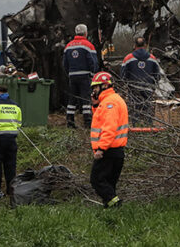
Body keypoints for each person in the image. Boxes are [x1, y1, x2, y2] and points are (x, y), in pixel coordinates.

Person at [88, 72, 128, 208]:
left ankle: (115, 205)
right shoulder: (110, 101)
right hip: (116, 151)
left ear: (104, 86)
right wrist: (95, 106)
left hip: (109, 150)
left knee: (96, 180)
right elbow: (101, 120)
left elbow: (109, 128)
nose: (94, 91)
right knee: (109, 183)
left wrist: (101, 148)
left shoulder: (110, 103)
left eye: (96, 88)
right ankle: (110, 208)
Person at [62, 24, 99, 128]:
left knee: (72, 99)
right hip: (85, 76)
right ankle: (87, 122)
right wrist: (93, 74)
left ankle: (70, 122)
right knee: (86, 99)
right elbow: (93, 62)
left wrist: (69, 73)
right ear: (86, 33)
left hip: (72, 76)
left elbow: (64, 63)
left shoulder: (68, 46)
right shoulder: (88, 45)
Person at [119, 37, 161, 125]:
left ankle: (135, 128)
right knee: (148, 110)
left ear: (134, 45)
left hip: (133, 89)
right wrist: (153, 85)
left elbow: (122, 75)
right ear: (145, 45)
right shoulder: (153, 58)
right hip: (148, 89)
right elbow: (158, 75)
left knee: (135, 110)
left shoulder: (128, 58)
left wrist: (126, 85)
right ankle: (149, 128)